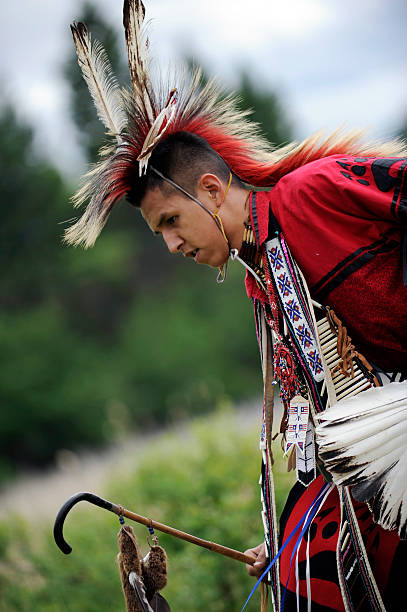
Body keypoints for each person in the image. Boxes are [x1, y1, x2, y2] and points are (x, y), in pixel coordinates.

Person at [67, 2, 407, 610]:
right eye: (159, 234)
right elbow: (326, 430)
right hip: (379, 475)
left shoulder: (314, 194)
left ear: (213, 189)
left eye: (172, 221)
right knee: (307, 576)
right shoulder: (262, 280)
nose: (172, 244)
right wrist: (287, 539)